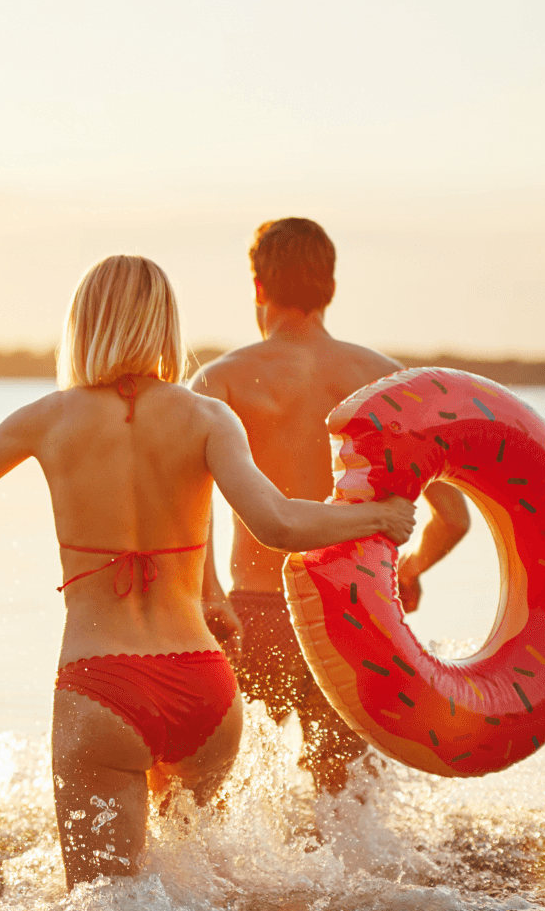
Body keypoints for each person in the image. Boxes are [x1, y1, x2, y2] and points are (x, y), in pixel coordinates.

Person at [0, 255, 414, 888]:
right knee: (199, 905)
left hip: (103, 688)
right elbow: (279, 523)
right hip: (203, 686)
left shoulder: (46, 418)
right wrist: (378, 520)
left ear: (82, 324)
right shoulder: (207, 417)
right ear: (165, 325)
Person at [191, 218, 469, 796]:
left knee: (227, 799)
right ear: (331, 289)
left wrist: (208, 593)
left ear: (258, 287)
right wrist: (411, 571)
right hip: (352, 617)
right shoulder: (387, 381)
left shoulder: (219, 381)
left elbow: (187, 509)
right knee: (346, 811)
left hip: (253, 614)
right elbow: (455, 517)